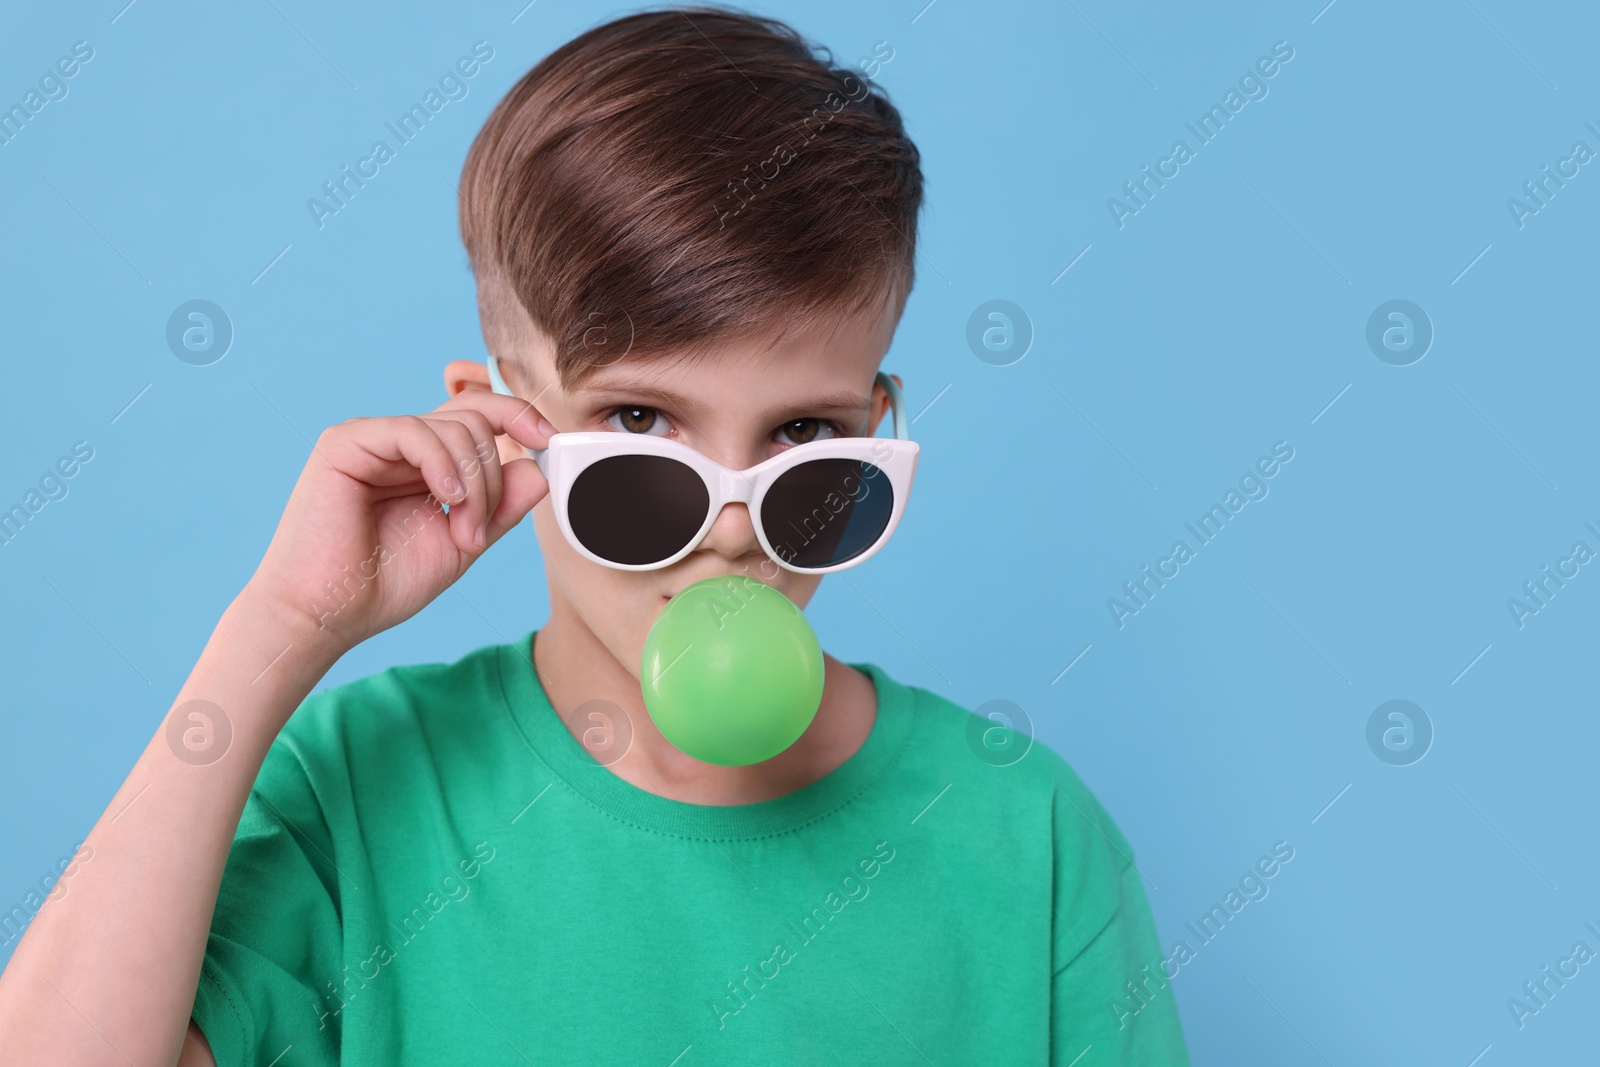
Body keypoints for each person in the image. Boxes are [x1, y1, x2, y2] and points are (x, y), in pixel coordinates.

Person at [0, 7, 1190, 1064]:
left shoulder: (1021, 836)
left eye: (803, 439)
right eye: (638, 423)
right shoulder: (359, 787)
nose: (731, 529)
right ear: (502, 422)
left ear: (877, 429)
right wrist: (282, 627)